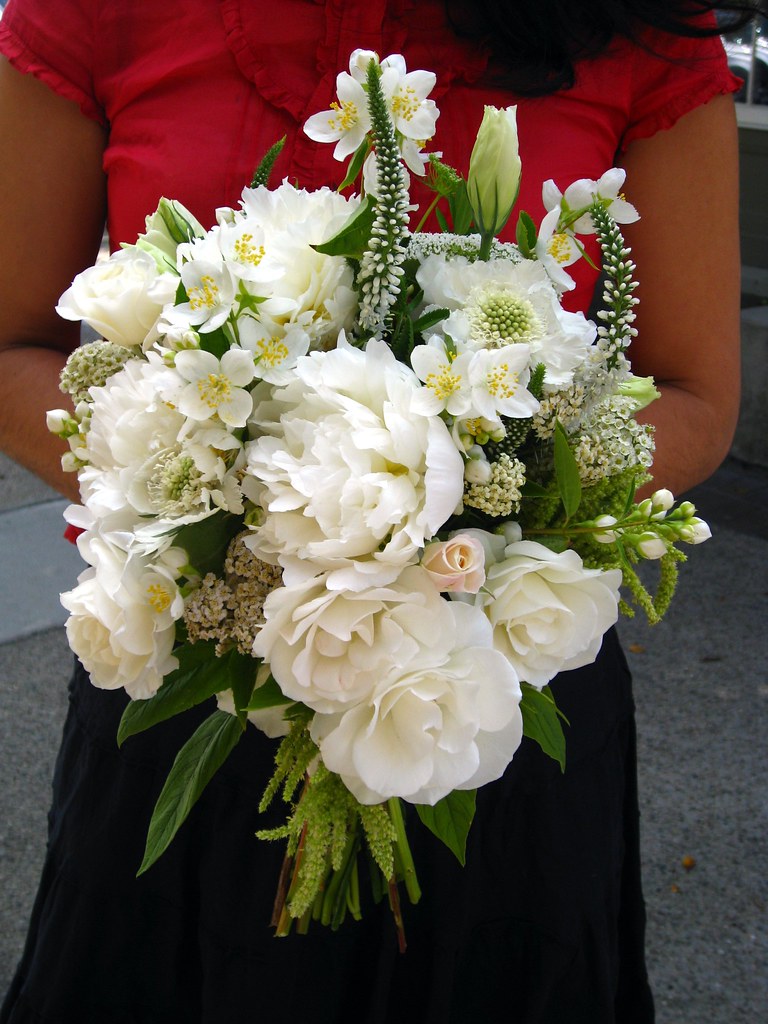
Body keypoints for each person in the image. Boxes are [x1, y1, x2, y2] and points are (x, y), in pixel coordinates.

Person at [0, 1, 752, 1021]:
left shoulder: (641, 25)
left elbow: (694, 391)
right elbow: (13, 347)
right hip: (189, 673)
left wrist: (455, 512)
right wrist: (239, 512)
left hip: (487, 690)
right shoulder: (94, 12)